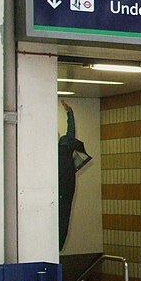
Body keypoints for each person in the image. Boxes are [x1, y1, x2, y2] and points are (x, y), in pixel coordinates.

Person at [58, 101, 91, 251]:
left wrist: (70, 113)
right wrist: (69, 112)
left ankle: (56, 242)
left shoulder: (57, 148)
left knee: (60, 214)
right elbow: (71, 131)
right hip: (68, 184)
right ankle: (59, 243)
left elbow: (70, 131)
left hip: (59, 186)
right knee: (64, 214)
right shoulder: (66, 144)